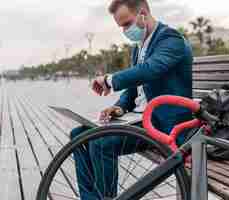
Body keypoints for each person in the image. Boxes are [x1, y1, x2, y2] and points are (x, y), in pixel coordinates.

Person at [70, 0, 193, 199]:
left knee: (101, 143)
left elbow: (150, 70)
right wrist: (118, 109)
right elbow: (134, 90)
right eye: (121, 27)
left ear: (143, 13)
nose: (125, 30)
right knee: (77, 135)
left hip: (163, 126)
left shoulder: (170, 39)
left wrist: (110, 80)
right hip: (140, 120)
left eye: (127, 24)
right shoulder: (139, 46)